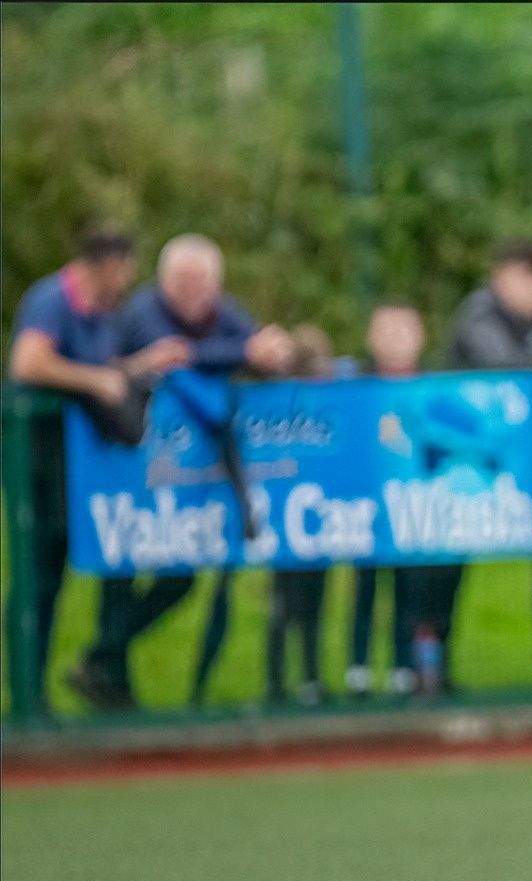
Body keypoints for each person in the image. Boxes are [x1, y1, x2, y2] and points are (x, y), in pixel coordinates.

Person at [68, 233, 294, 710]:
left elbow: (252, 348)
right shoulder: (143, 311)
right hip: (125, 468)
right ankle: (110, 684)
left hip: (182, 482)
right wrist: (242, 352)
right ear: (164, 280)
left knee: (179, 577)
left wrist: (267, 351)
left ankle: (101, 659)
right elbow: (178, 354)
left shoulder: (223, 311)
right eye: (184, 280)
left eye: (203, 281)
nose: (194, 290)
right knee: (119, 572)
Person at [5, 228, 187, 713]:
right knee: (42, 573)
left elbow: (104, 372)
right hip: (39, 460)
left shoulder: (104, 315)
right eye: (126, 269)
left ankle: (105, 675)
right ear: (108, 265)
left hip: (86, 465)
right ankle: (29, 696)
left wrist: (139, 365)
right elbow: (28, 363)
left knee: (116, 561)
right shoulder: (52, 299)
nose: (128, 280)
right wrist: (97, 379)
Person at [443, 238, 532, 691]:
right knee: (440, 573)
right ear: (504, 275)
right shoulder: (480, 316)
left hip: (517, 468)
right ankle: (424, 672)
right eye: (529, 277)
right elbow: (509, 368)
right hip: (461, 469)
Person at [347, 302, 432, 697]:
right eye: (387, 332)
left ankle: (404, 667)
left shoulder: (431, 389)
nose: (396, 342)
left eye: (405, 331)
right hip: (367, 507)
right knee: (365, 586)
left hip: (413, 506)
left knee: (409, 587)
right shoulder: (356, 389)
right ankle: (358, 669)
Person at [261, 325, 337, 706]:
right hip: (284, 524)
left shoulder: (330, 408)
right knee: (285, 605)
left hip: (313, 520)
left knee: (307, 605)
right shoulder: (279, 407)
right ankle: (278, 681)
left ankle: (304, 678)